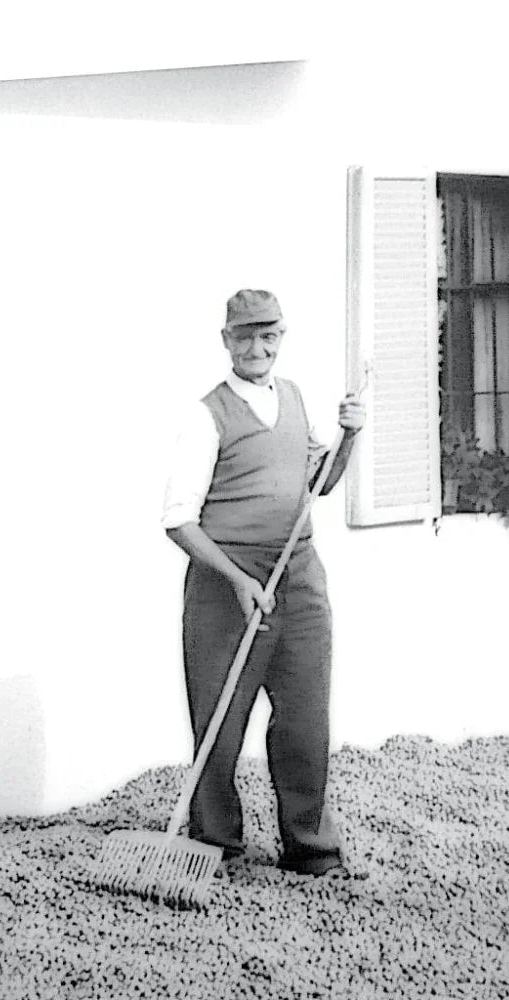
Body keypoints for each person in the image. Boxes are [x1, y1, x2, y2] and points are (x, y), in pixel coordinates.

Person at [162, 288, 366, 876]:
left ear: (282, 337)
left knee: (305, 717)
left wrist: (348, 436)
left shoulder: (297, 398)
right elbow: (177, 519)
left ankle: (310, 846)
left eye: (268, 335)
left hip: (297, 575)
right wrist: (235, 578)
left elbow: (318, 485)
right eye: (245, 335)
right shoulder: (208, 414)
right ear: (227, 340)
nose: (258, 346)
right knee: (220, 722)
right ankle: (215, 843)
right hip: (225, 582)